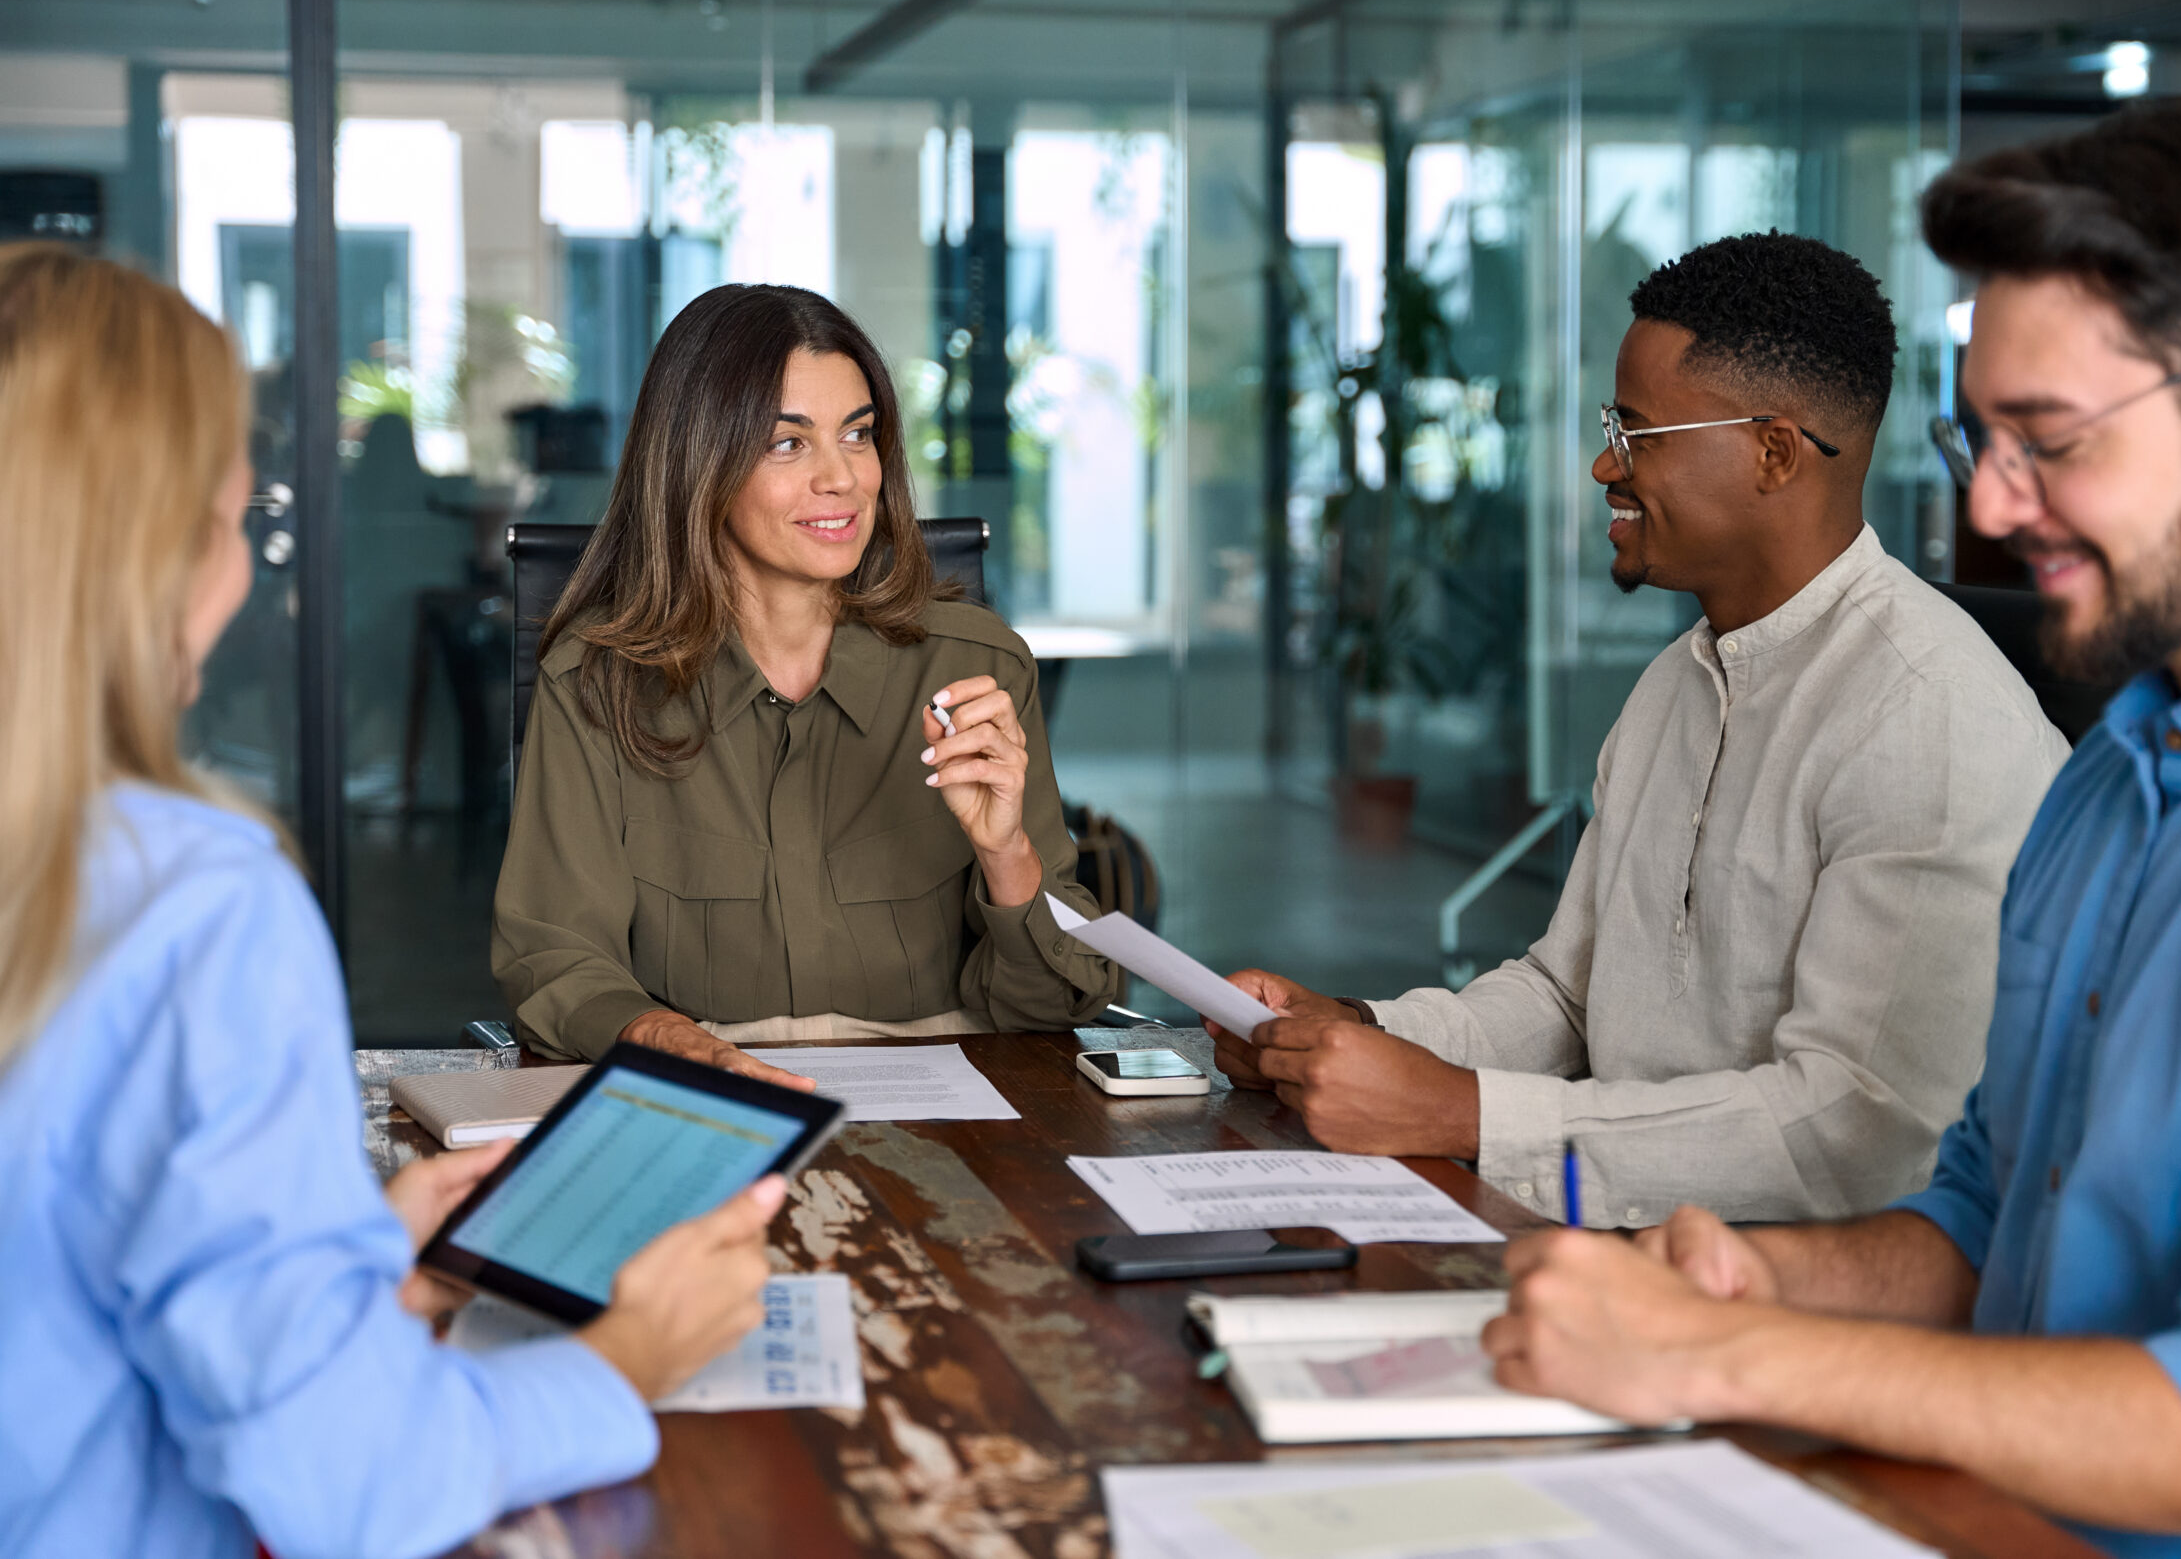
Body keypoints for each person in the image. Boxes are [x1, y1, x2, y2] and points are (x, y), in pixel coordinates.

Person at [1481, 98, 2181, 1555]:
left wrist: (1725, 1356)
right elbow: (1989, 1226)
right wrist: (1748, 1277)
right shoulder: (2112, 773)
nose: (1989, 504)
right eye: (1977, 436)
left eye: (2047, 441)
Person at [0, 244, 785, 1559]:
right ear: (160, 552)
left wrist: (341, 1254)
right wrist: (624, 1359)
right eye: (238, 522)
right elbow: (346, 1486)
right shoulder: (196, 904)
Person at [1213, 233, 2068, 1226]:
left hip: (1795, 1312)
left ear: (1772, 451)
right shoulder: (1677, 681)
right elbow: (1569, 999)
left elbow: (1851, 1134)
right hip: (1618, 1247)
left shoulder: (1930, 717)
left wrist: (1463, 1116)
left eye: (1637, 433)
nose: (1600, 464)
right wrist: (1353, 1033)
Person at [493, 284, 1117, 1084]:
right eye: (788, 444)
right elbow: (553, 958)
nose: (844, 478)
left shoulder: (976, 669)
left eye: (857, 436)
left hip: (950, 1114)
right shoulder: (595, 684)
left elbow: (1061, 1005)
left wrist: (1007, 854)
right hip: (703, 1100)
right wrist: (676, 1043)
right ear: (697, 462)